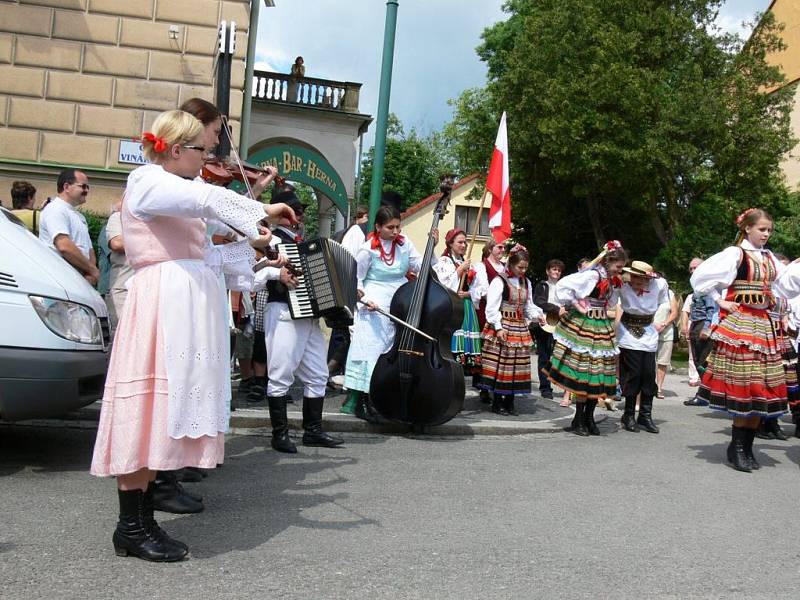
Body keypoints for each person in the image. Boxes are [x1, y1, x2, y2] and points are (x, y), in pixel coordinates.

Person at [89, 110, 296, 561]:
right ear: (177, 149)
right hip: (161, 308)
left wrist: (258, 251)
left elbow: (212, 260)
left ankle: (142, 522)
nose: (208, 158)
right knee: (148, 413)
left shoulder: (183, 194)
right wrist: (260, 207)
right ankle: (131, 525)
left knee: (163, 417)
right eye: (201, 149)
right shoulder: (147, 180)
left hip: (182, 308)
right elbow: (204, 202)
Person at [690, 208, 790, 472]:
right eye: (762, 229)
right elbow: (700, 278)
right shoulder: (736, 253)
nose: (766, 234)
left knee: (763, 387)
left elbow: (786, 284)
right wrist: (720, 299)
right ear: (747, 228)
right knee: (746, 386)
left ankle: (746, 446)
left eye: (769, 230)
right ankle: (736, 447)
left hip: (764, 326)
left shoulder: (769, 257)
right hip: (742, 325)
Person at [262, 190, 344, 452]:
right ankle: (279, 435)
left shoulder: (300, 241)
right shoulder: (266, 237)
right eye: (294, 210)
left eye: (299, 210)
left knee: (318, 374)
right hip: (283, 311)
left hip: (308, 316)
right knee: (280, 374)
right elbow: (253, 269)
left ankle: (313, 430)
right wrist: (277, 273)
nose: (299, 215)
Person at [341, 205, 435, 419]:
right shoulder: (367, 250)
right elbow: (356, 278)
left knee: (392, 352)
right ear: (378, 227)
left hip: (400, 303)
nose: (395, 232)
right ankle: (363, 402)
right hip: (374, 305)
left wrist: (432, 246)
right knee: (371, 353)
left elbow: (422, 265)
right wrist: (364, 299)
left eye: (398, 227)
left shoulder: (404, 244)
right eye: (390, 227)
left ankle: (385, 398)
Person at [545, 241, 627, 436]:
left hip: (601, 326)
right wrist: (577, 303)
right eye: (618, 267)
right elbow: (564, 286)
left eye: (621, 268)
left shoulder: (612, 280)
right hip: (585, 324)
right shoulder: (593, 275)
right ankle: (579, 418)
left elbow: (612, 302)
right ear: (608, 262)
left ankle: (589, 417)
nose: (619, 271)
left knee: (599, 371)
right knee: (584, 370)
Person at [478, 246, 544, 416]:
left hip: (520, 327)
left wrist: (539, 315)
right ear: (511, 264)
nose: (522, 271)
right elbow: (491, 308)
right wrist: (498, 327)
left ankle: (510, 401)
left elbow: (528, 306)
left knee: (517, 366)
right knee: (502, 365)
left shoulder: (526, 282)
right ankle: (498, 401)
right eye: (519, 267)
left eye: (525, 268)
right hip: (503, 326)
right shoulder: (500, 281)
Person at [615, 261, 670, 434]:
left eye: (642, 278)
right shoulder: (622, 286)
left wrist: (658, 322)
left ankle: (645, 416)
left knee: (648, 374)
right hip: (628, 331)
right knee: (634, 373)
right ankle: (629, 414)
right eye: (634, 276)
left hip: (649, 331)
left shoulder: (659, 284)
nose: (637, 281)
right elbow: (607, 299)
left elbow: (665, 302)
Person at [433, 228, 482, 375]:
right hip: (452, 306)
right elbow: (442, 283)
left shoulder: (468, 263)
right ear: (450, 243)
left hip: (466, 307)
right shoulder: (444, 261)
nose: (464, 245)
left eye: (465, 242)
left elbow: (479, 288)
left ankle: (461, 374)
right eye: (460, 242)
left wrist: (468, 293)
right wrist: (460, 270)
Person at [38, 169, 99, 286]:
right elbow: (64, 246)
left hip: (79, 281)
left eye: (88, 187)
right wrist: (93, 270)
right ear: (66, 187)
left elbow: (89, 250)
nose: (86, 190)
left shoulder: (79, 216)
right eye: (83, 186)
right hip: (60, 280)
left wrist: (90, 274)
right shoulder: (55, 209)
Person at [532, 259, 566, 399]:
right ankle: (545, 387)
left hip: (560, 323)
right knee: (544, 356)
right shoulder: (542, 285)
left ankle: (565, 387)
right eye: (554, 269)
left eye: (558, 270)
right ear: (548, 271)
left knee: (561, 356)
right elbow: (538, 301)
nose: (556, 272)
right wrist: (556, 308)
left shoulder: (564, 287)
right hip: (545, 322)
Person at [654, 283, 679, 399]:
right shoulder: (648, 291)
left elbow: (674, 312)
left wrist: (664, 324)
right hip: (649, 331)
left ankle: (659, 388)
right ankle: (648, 386)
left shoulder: (670, 294)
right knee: (647, 361)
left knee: (662, 362)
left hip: (666, 332)